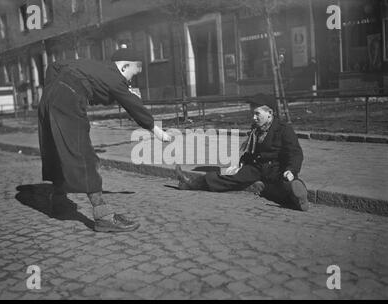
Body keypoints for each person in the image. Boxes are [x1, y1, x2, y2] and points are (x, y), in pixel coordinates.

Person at [38, 48, 171, 233]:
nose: (131, 80)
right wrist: (156, 130)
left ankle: (59, 201)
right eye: (132, 73)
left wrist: (52, 92)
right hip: (68, 100)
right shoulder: (116, 79)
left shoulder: (95, 66)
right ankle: (103, 216)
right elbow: (134, 106)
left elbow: (53, 66)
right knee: (84, 155)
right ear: (124, 66)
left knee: (58, 150)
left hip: (48, 99)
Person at [175, 94, 309, 211]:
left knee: (286, 184)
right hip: (256, 168)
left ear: (270, 113)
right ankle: (190, 183)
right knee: (229, 177)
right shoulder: (257, 129)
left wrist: (291, 170)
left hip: (276, 169)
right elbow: (251, 151)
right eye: (253, 114)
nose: (254, 117)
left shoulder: (284, 129)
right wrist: (242, 163)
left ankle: (299, 198)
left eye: (257, 114)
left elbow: (295, 153)